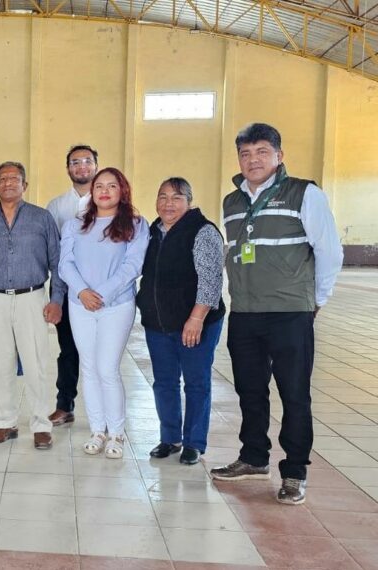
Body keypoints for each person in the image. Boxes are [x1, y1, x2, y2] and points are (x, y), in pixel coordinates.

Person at [209, 123, 343, 505]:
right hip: (246, 314)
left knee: (294, 394)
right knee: (249, 390)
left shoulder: (304, 193)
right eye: (246, 154)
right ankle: (253, 458)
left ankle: (295, 471)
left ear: (279, 156)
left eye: (262, 152)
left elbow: (329, 252)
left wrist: (314, 301)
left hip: (290, 314)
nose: (253, 160)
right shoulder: (232, 202)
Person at [58, 167, 149, 460]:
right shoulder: (75, 226)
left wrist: (103, 293)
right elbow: (65, 264)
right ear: (92, 192)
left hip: (116, 305)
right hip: (79, 304)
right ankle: (97, 430)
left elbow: (133, 266)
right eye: (99, 186)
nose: (105, 191)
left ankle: (117, 433)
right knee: (88, 367)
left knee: (107, 368)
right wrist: (83, 292)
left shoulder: (135, 224)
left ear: (122, 190)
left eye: (112, 186)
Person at [137, 178, 226, 465]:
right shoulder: (153, 232)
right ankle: (170, 438)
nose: (168, 204)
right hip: (158, 324)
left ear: (189, 201)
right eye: (162, 197)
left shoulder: (202, 231)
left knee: (196, 382)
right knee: (164, 383)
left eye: (176, 198)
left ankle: (194, 443)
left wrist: (196, 319)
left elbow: (211, 281)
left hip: (196, 323)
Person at [0, 162, 65, 450]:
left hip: (32, 297)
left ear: (25, 185)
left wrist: (56, 300)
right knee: (0, 363)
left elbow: (58, 261)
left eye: (14, 179)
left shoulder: (42, 218)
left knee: (36, 362)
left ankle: (41, 425)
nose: (8, 183)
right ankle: (4, 423)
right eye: (2, 179)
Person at [45, 145, 97, 427]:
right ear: (68, 169)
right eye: (75, 162)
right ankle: (65, 405)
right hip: (68, 291)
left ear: (96, 166)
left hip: (102, 292)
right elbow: (54, 257)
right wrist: (56, 297)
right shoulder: (56, 206)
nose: (82, 167)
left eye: (87, 161)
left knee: (102, 353)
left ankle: (104, 411)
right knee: (69, 350)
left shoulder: (109, 200)